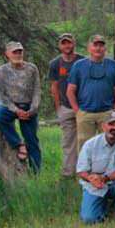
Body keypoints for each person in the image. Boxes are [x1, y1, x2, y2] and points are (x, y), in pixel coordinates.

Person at [77, 111, 115, 224]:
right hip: (94, 186)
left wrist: (105, 178)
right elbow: (81, 170)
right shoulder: (90, 144)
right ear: (103, 126)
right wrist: (91, 178)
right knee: (89, 219)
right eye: (111, 124)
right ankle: (104, 205)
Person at [66, 35, 115, 152]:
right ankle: (85, 169)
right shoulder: (78, 65)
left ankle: (107, 169)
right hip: (85, 113)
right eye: (95, 45)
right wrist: (77, 111)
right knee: (84, 145)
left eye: (101, 45)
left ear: (105, 48)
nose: (98, 48)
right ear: (89, 48)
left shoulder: (114, 65)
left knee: (109, 144)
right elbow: (70, 90)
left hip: (107, 113)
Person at [0, 41, 42, 172]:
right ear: (7, 54)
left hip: (29, 107)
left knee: (32, 140)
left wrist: (33, 109)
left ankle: (36, 172)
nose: (18, 54)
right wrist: (16, 110)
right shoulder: (1, 71)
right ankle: (18, 144)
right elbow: (1, 94)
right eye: (15, 52)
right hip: (11, 107)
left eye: (20, 51)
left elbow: (37, 91)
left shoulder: (32, 68)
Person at [48, 33, 85, 177]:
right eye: (63, 43)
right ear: (59, 46)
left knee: (84, 141)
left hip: (83, 107)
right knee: (68, 142)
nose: (66, 46)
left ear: (74, 43)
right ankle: (68, 173)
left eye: (69, 43)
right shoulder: (55, 64)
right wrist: (58, 108)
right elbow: (54, 87)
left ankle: (84, 172)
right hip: (65, 107)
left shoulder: (83, 61)